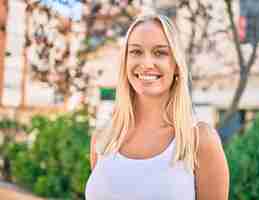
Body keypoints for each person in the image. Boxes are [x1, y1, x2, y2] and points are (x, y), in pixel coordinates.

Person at [85, 13, 229, 200]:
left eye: (160, 52)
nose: (146, 64)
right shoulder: (103, 140)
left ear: (176, 65)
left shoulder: (199, 141)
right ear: (125, 62)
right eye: (136, 52)